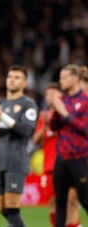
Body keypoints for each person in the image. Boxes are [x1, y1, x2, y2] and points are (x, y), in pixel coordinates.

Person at [0, 65, 38, 227]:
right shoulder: (0, 103)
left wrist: (1, 116)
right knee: (1, 207)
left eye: (17, 77)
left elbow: (26, 130)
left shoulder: (28, 104)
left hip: (16, 162)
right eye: (10, 77)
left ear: (25, 82)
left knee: (12, 208)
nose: (12, 80)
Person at [33, 82, 81, 227]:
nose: (50, 97)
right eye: (48, 94)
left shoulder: (70, 114)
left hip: (69, 163)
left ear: (62, 96)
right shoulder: (45, 117)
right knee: (54, 204)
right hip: (49, 166)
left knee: (71, 201)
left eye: (54, 93)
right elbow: (36, 140)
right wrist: (45, 126)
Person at [49, 64, 88, 227]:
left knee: (85, 200)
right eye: (60, 78)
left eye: (64, 77)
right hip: (61, 158)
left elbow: (85, 129)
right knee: (60, 202)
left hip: (79, 158)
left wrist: (64, 113)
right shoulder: (62, 100)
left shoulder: (85, 101)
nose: (60, 81)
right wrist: (56, 113)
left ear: (75, 79)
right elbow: (53, 127)